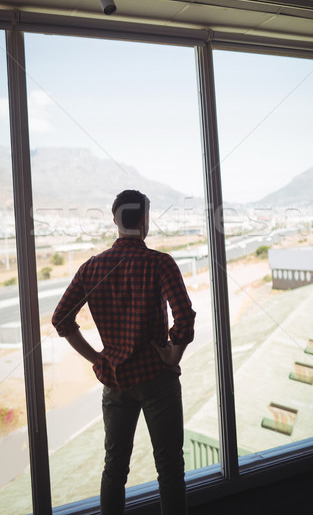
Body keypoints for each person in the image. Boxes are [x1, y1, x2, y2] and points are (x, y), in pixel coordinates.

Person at [52, 189, 196, 515]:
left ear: (115, 220)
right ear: (145, 220)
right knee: (170, 468)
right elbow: (183, 317)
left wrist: (98, 358)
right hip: (157, 379)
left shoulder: (91, 268)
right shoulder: (160, 263)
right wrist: (174, 355)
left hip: (115, 381)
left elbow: (61, 319)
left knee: (114, 468)